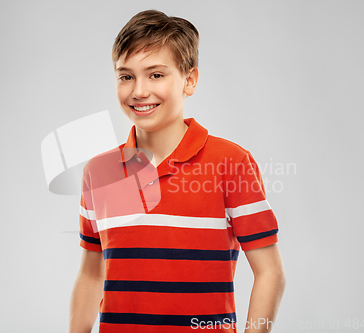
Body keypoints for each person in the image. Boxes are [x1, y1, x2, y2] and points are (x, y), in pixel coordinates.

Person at [68, 9, 285, 333]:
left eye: (156, 75)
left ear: (190, 80)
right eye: (126, 76)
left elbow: (270, 273)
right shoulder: (98, 172)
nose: (139, 91)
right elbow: (90, 274)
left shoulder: (232, 163)